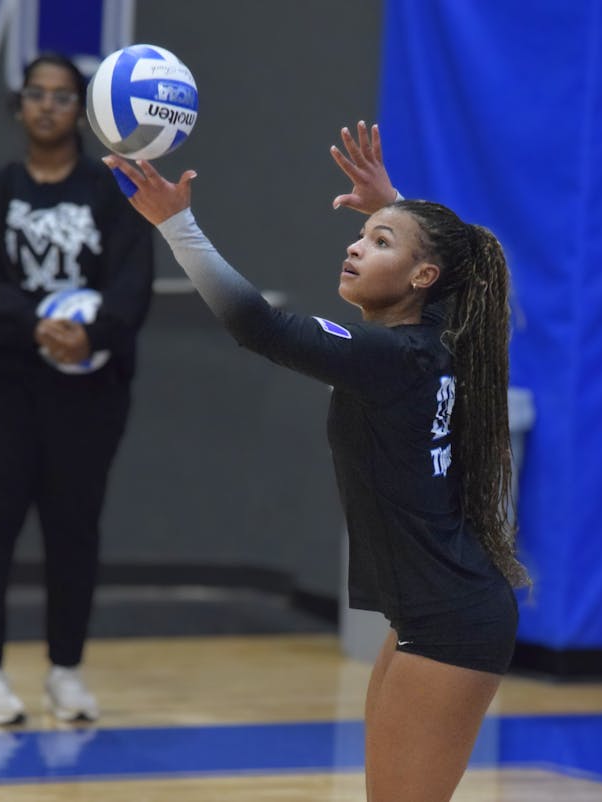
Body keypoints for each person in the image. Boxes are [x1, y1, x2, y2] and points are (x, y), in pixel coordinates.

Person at [102, 121, 527, 801]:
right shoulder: (435, 334)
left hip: (450, 620)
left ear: (422, 277)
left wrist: (177, 225)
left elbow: (258, 326)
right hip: (433, 615)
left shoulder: (391, 356)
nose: (356, 246)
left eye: (379, 243)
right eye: (362, 235)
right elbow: (454, 268)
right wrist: (397, 207)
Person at [0, 53, 153, 726]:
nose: (47, 106)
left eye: (63, 96)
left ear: (83, 111)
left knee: (74, 529)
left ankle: (66, 671)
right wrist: (41, 324)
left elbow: (131, 285)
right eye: (36, 94)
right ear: (19, 105)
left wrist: (90, 335)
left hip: (87, 393)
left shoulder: (111, 195)